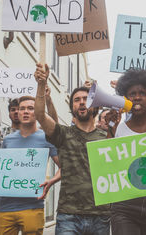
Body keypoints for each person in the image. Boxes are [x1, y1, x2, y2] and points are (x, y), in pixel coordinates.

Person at [34, 63, 110, 235]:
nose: (82, 102)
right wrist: (41, 84)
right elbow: (39, 114)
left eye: (86, 99)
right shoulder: (62, 133)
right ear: (72, 108)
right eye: (77, 100)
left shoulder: (107, 137)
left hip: (101, 215)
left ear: (95, 106)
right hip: (68, 215)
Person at [107, 69, 146, 235]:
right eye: (132, 94)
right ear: (126, 99)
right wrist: (110, 128)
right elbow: (109, 164)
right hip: (124, 205)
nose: (137, 97)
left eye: (142, 93)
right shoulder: (118, 129)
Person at [0, 96, 60, 235]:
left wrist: (51, 181)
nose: (25, 111)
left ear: (37, 112)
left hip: (33, 206)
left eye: (30, 108)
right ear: (17, 113)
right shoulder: (7, 140)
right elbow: (1, 168)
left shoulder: (46, 138)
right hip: (5, 207)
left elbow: (65, 166)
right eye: (21, 108)